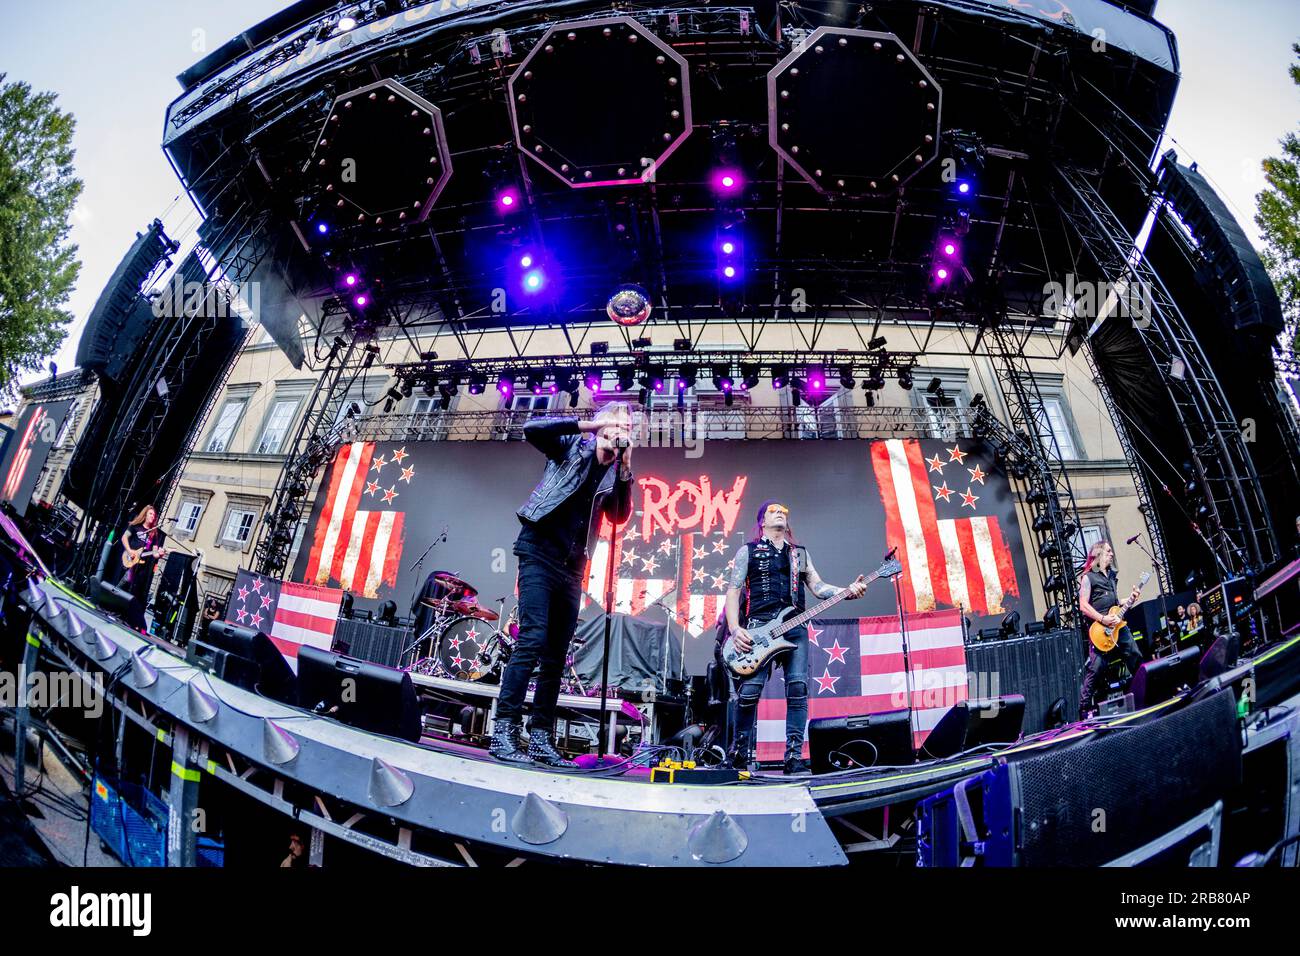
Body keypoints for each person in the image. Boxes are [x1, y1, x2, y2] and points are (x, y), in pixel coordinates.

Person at [489, 403, 635, 767]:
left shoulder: (614, 472)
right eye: (618, 420)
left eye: (628, 424)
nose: (623, 427)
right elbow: (533, 429)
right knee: (532, 639)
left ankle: (540, 736)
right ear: (603, 423)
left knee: (556, 654)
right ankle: (504, 729)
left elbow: (618, 515)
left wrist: (626, 468)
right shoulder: (572, 445)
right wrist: (591, 426)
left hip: (572, 567)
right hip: (538, 551)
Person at [724, 500, 866, 774]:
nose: (781, 514)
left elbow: (818, 586)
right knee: (750, 692)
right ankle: (740, 752)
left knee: (798, 691)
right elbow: (733, 591)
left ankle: (793, 757)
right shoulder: (748, 551)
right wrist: (734, 628)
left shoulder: (799, 554)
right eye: (775, 511)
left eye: (784, 512)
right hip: (758, 628)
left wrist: (846, 590)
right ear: (762, 522)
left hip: (795, 628)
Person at [1077, 540, 1142, 715]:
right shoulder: (1089, 577)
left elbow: (1115, 603)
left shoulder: (1112, 576)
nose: (1112, 554)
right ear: (1098, 554)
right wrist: (1103, 619)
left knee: (1134, 653)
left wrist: (1130, 599)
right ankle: (1084, 709)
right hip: (1100, 629)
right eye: (1108, 551)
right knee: (1096, 668)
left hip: (1117, 625)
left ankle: (1143, 688)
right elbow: (1083, 605)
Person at [117, 504, 164, 632]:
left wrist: (158, 554)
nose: (152, 516)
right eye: (150, 514)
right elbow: (124, 537)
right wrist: (129, 550)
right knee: (124, 583)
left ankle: (129, 618)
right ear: (145, 515)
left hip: (141, 565)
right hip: (130, 559)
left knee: (134, 590)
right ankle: (111, 600)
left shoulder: (154, 534)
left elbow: (154, 552)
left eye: (154, 515)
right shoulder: (135, 527)